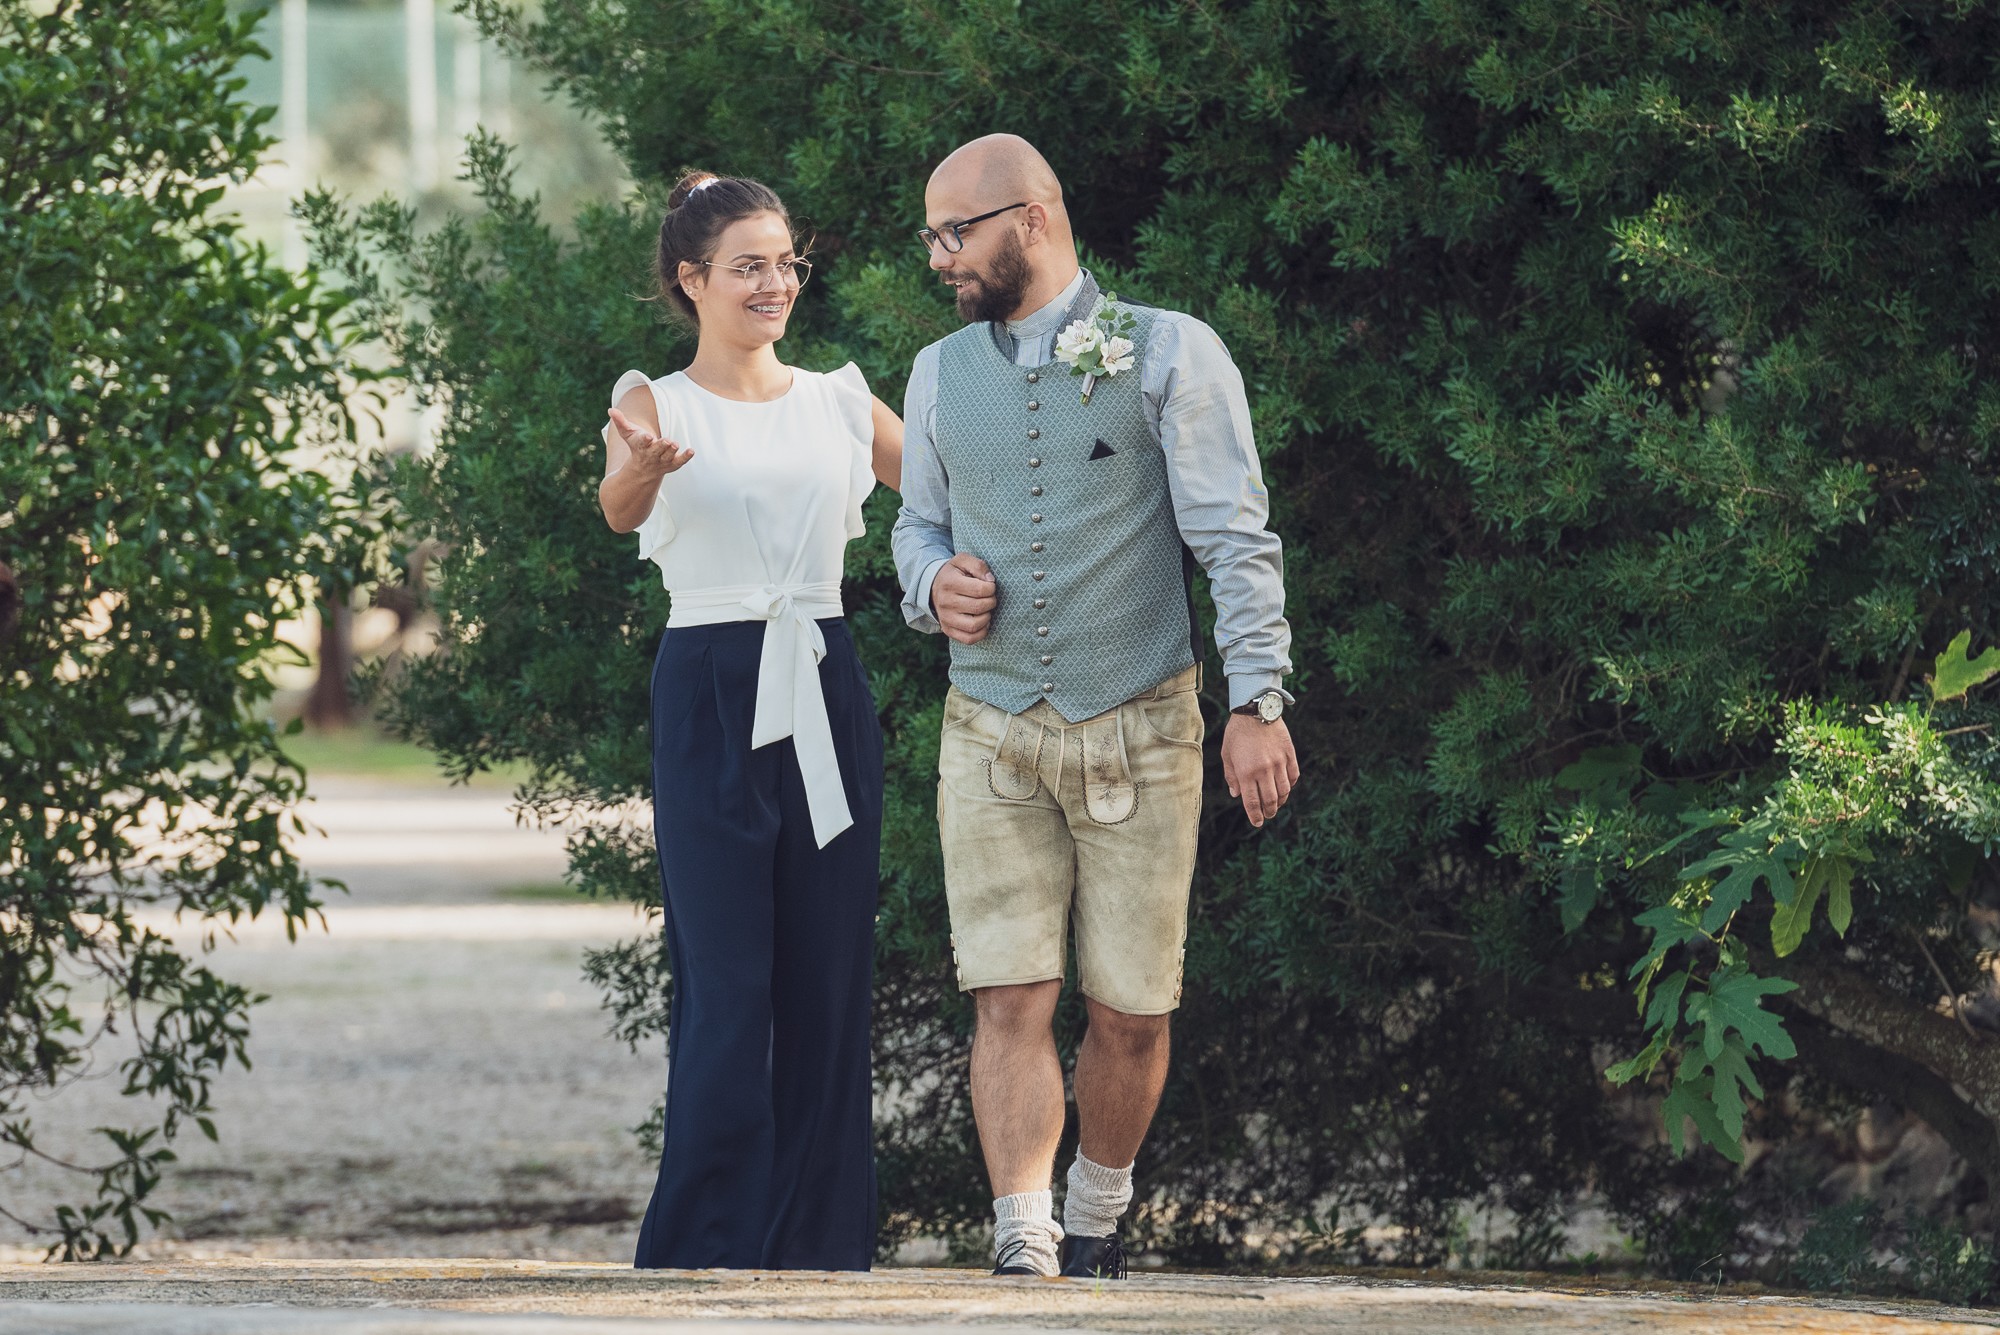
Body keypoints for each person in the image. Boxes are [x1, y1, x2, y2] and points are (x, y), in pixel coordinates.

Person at [892, 135, 1298, 1279]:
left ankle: (1095, 1218)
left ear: (1031, 218)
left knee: (1130, 1010)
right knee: (1008, 996)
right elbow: (915, 526)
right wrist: (930, 583)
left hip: (1143, 727)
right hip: (989, 729)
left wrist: (1256, 699)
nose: (939, 259)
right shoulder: (934, 374)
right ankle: (1022, 1243)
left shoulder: (1170, 352)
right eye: (930, 237)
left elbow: (1233, 539)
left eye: (954, 232)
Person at [599, 170, 903, 1271]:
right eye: (748, 267)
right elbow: (617, 507)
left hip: (822, 677)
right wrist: (642, 474)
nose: (775, 283)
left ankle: (820, 1247)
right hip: (710, 687)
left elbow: (950, 490)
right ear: (692, 280)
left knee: (826, 974)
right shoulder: (654, 402)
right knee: (727, 983)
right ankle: (701, 1249)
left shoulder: (838, 398)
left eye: (786, 263)